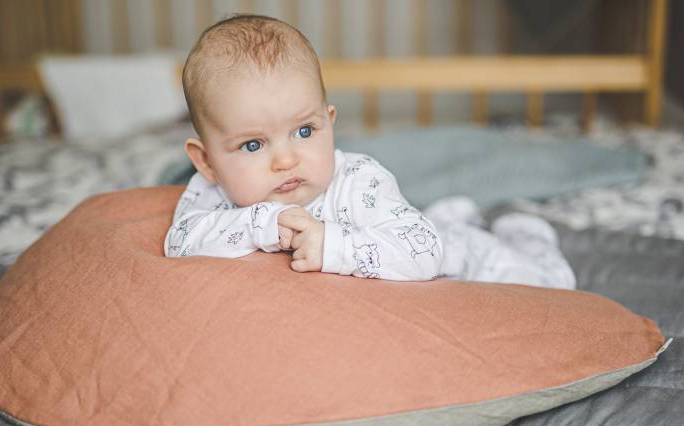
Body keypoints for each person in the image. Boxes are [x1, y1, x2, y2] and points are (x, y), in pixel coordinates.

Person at [164, 14, 575, 288]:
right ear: (207, 161)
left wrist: (333, 245)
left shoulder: (360, 180)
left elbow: (424, 254)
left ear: (330, 121)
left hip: (463, 259)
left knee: (550, 282)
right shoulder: (209, 192)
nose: (286, 159)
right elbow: (180, 244)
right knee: (425, 219)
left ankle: (525, 234)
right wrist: (261, 223)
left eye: (305, 131)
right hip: (409, 225)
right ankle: (452, 213)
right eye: (253, 144)